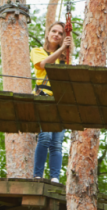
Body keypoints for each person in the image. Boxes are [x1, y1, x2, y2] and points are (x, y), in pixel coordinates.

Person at [31, 21, 72, 183]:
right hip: (44, 97)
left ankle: (55, 177)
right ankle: (37, 175)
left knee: (57, 142)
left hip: (60, 101)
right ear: (48, 34)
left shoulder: (64, 60)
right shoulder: (37, 51)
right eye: (54, 31)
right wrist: (62, 49)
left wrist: (64, 51)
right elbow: (43, 64)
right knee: (45, 137)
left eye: (60, 33)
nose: (56, 35)